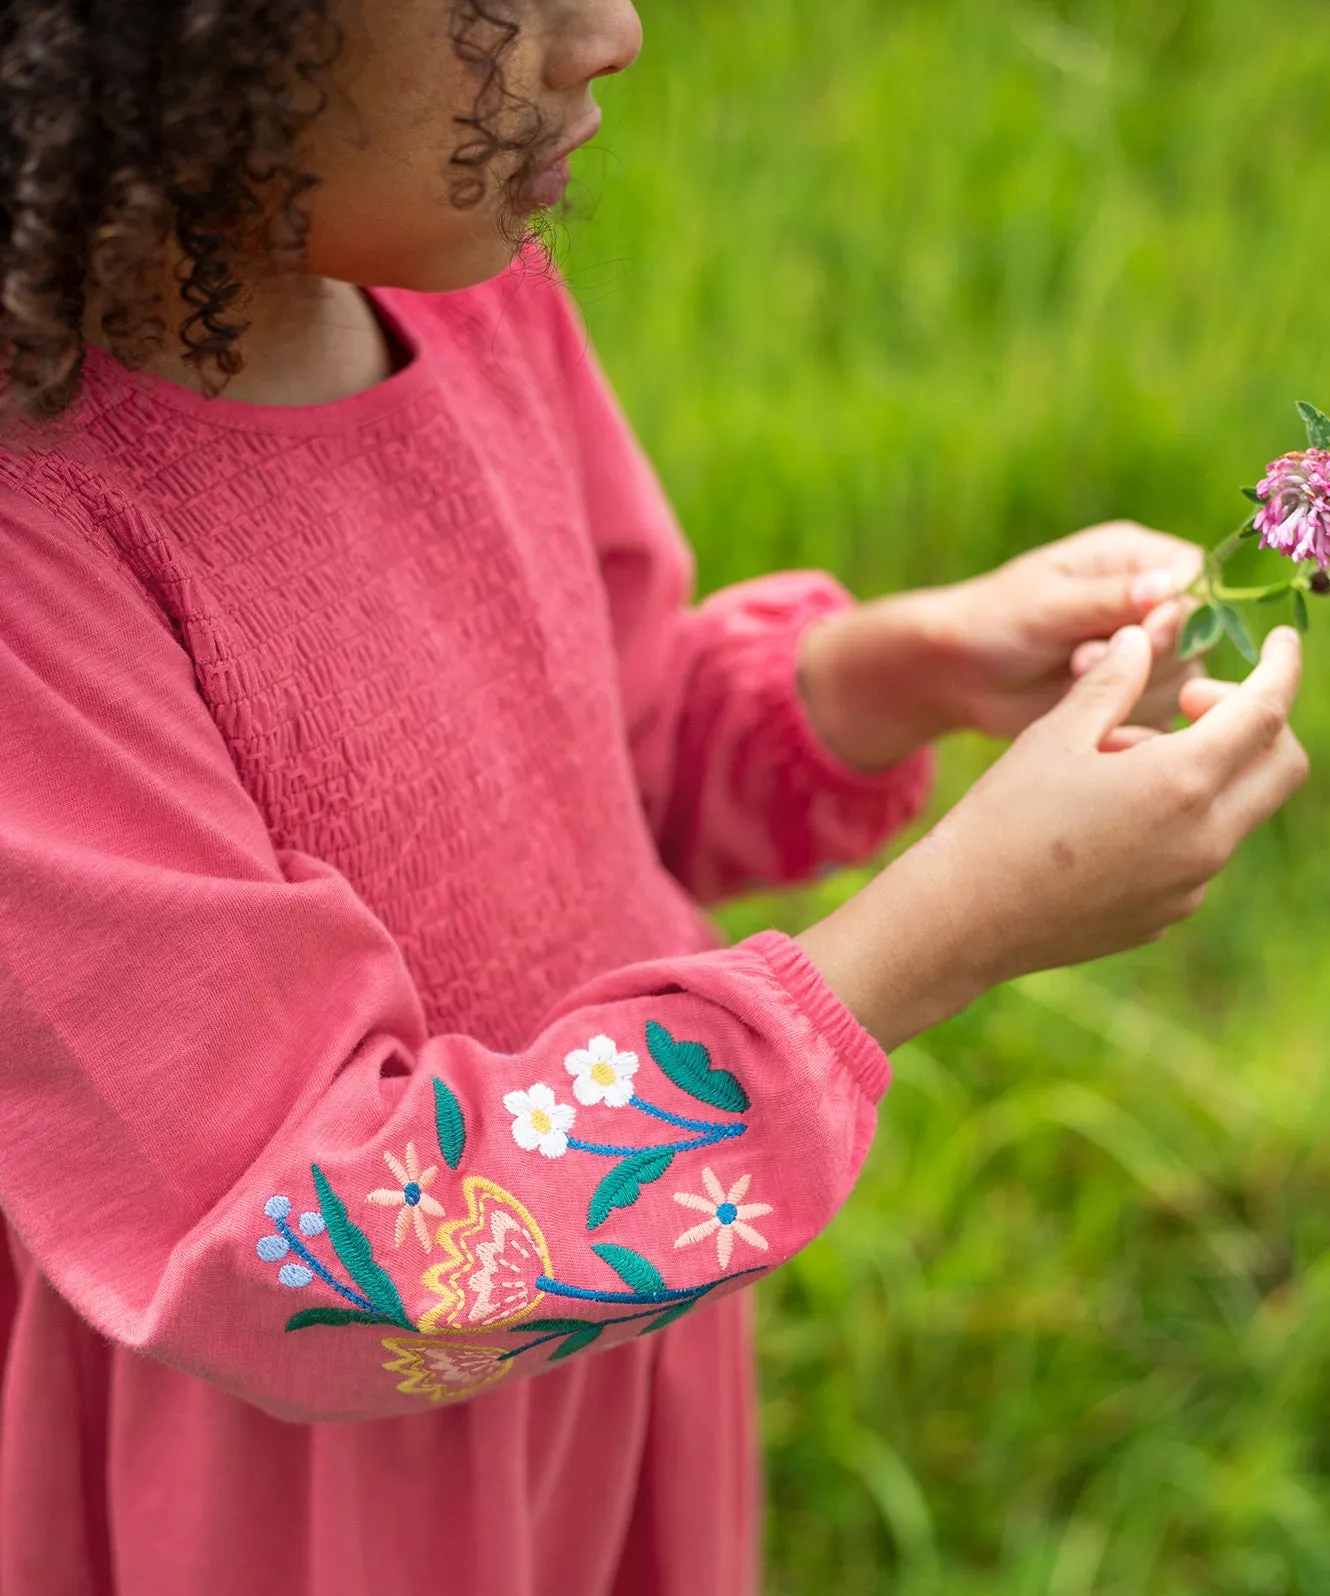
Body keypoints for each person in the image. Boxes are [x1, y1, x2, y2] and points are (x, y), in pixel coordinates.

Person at [0, 2, 1308, 1593]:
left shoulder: (459, 298)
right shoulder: (36, 556)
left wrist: (891, 672)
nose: (607, 32)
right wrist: (921, 948)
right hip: (319, 1498)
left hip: (601, 1352)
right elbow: (298, 1239)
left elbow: (590, 762)